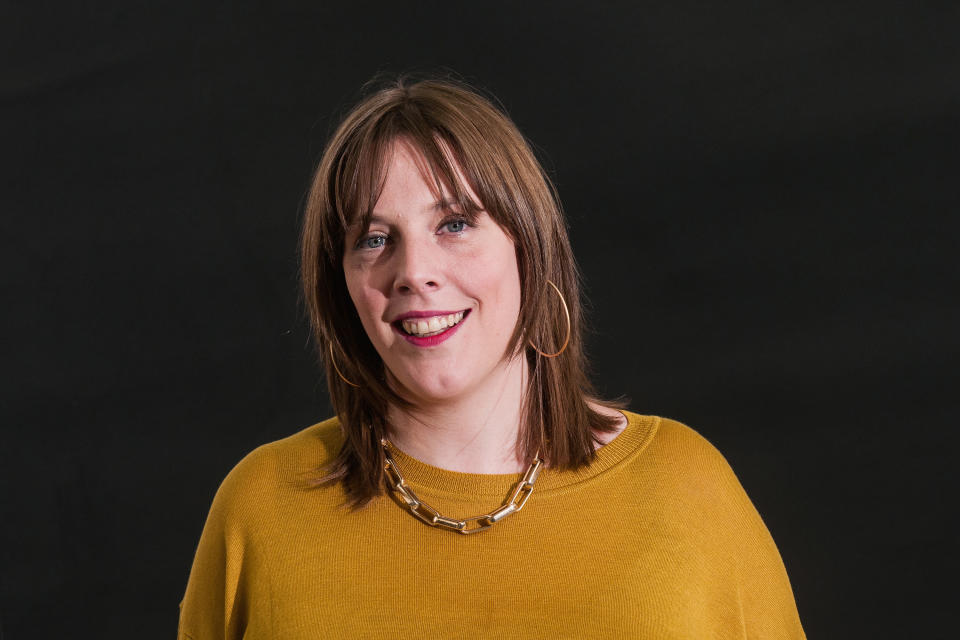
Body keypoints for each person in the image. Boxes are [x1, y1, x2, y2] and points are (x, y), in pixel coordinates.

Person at [178, 77, 806, 639]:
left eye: (453, 224)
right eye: (374, 239)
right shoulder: (262, 508)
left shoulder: (682, 487)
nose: (414, 272)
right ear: (342, 288)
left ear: (528, 247)